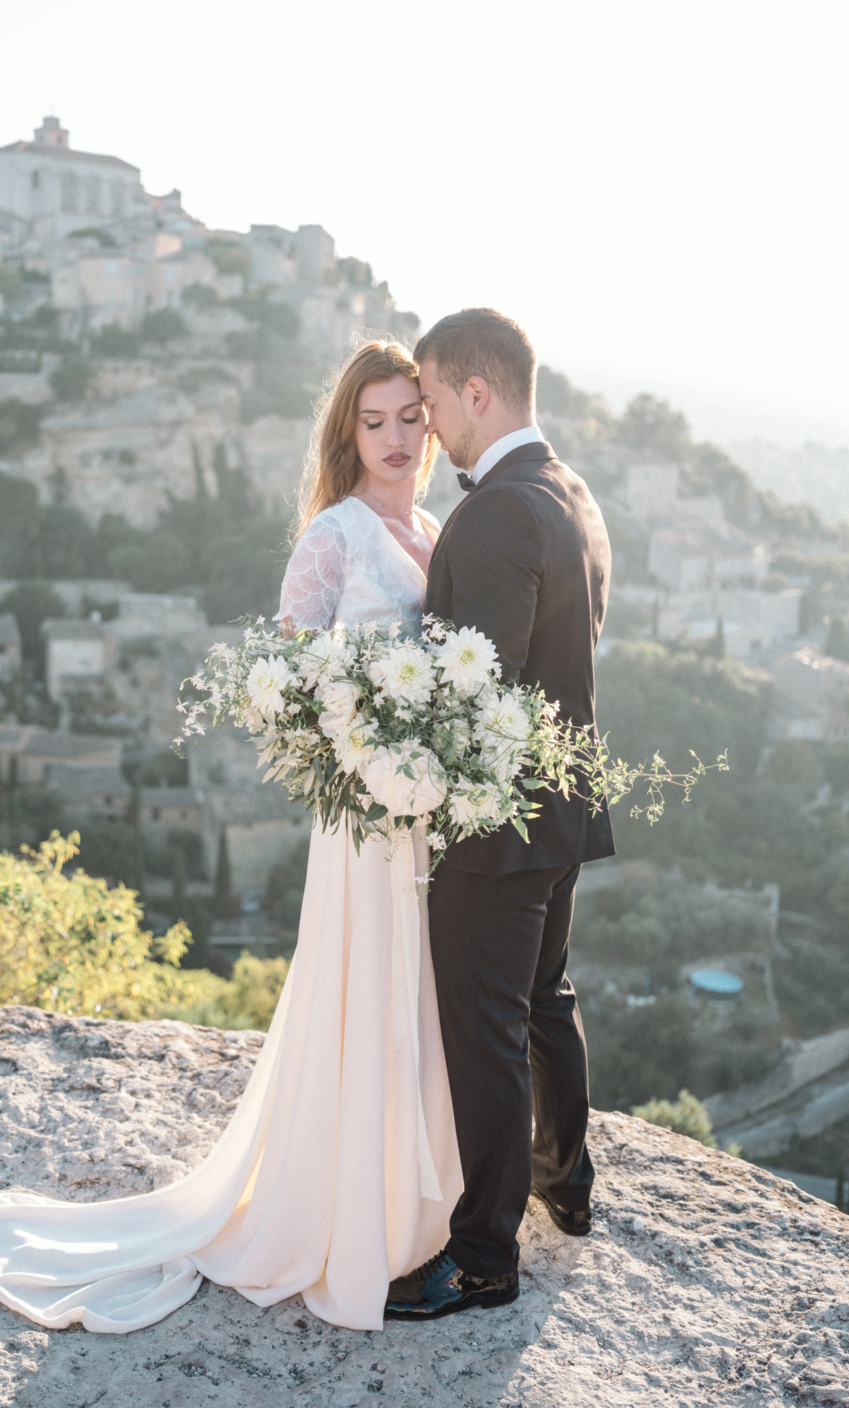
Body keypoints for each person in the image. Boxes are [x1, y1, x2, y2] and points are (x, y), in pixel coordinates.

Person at [0, 340, 465, 1334]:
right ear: (347, 434)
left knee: (417, 999)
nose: (395, 438)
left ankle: (412, 1209)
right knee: (360, 995)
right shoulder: (332, 536)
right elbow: (284, 686)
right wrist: (358, 750)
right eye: (372, 422)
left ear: (432, 420)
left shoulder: (433, 528)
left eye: (409, 417)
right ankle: (337, 1218)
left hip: (422, 820)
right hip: (362, 824)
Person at [384, 308, 615, 1323]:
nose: (427, 427)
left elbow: (479, 700)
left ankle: (480, 1259)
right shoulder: (572, 494)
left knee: (484, 1033)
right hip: (563, 812)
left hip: (494, 827)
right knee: (543, 1002)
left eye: (431, 401)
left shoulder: (492, 517)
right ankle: (568, 1188)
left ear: (477, 393)